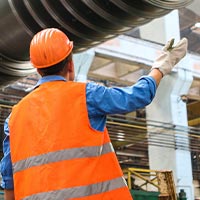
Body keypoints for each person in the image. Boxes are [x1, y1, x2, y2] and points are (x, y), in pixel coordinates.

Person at [0, 28, 187, 200]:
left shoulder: (14, 118)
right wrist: (161, 66)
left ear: (37, 68)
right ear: (71, 63)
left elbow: (9, 179)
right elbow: (136, 97)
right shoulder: (86, 95)